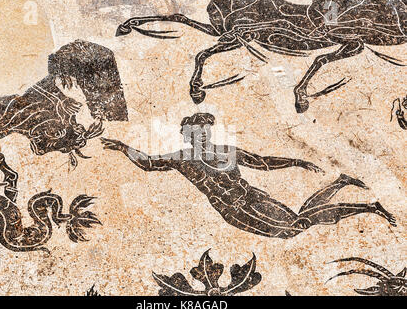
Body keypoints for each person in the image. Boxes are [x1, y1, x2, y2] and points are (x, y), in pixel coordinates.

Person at [101, 113, 396, 238]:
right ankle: (352, 193)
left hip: (251, 196)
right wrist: (122, 147)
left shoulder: (227, 150)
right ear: (188, 136)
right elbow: (149, 163)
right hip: (232, 210)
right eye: (195, 133)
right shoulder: (184, 158)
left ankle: (355, 195)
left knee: (297, 222)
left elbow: (263, 162)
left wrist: (296, 161)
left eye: (204, 131)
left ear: (208, 132)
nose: (201, 136)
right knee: (294, 227)